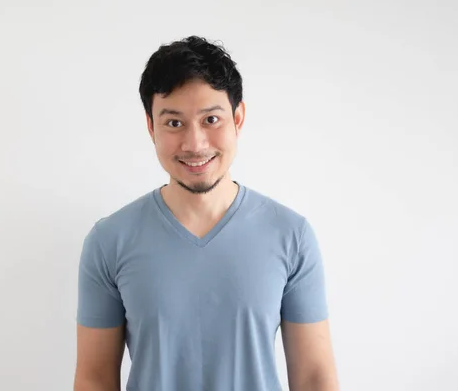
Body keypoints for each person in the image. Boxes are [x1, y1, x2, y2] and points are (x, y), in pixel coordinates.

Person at [74, 35, 339, 391]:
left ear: (238, 118)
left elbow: (314, 378)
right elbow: (94, 378)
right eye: (173, 123)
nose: (195, 144)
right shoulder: (109, 241)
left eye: (211, 119)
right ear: (151, 127)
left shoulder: (291, 236)